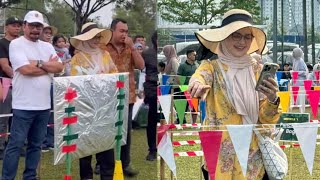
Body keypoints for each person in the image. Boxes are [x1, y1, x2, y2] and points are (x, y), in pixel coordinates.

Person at [188, 9, 281, 180]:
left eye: (247, 37)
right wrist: (197, 85)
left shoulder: (257, 70)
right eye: (236, 35)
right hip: (220, 154)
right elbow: (199, 77)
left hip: (254, 154)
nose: (242, 42)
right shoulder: (212, 67)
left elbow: (266, 119)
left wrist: (272, 99)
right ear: (224, 37)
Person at [1, 10, 63, 180]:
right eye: (32, 26)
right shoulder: (16, 44)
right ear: (25, 26)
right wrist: (47, 67)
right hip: (23, 105)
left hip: (43, 106)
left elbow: (60, 68)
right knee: (15, 145)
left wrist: (38, 62)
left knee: (35, 146)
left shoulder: (47, 46)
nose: (36, 30)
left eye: (39, 26)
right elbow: (25, 70)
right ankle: (7, 178)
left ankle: (30, 177)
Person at [69, 22, 117, 180]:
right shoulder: (77, 58)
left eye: (99, 37)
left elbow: (114, 74)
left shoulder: (105, 55)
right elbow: (75, 82)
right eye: (93, 37)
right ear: (85, 38)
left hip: (104, 107)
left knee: (107, 145)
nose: (97, 40)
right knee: (85, 146)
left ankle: (107, 175)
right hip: (86, 107)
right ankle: (86, 177)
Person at [100, 18, 144, 178]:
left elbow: (141, 65)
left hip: (127, 95)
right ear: (112, 31)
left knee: (125, 133)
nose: (124, 34)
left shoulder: (130, 48)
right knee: (106, 131)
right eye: (121, 31)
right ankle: (103, 163)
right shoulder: (103, 47)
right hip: (107, 96)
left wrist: (132, 47)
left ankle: (125, 164)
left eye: (126, 31)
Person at [0, 17, 23, 160]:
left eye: (19, 25)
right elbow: (5, 65)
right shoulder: (2, 43)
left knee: (17, 116)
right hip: (4, 82)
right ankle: (1, 145)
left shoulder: (21, 44)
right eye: (14, 25)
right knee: (4, 115)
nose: (17, 28)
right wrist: (19, 78)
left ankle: (14, 144)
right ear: (6, 27)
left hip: (20, 83)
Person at [142, 31, 158, 161]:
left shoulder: (168, 52)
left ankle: (165, 148)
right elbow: (141, 71)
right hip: (152, 90)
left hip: (166, 90)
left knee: (166, 121)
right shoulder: (147, 54)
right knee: (152, 121)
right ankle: (152, 149)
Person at [177, 49, 199, 123]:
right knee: (183, 106)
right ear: (189, 56)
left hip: (194, 89)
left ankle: (194, 123)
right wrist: (182, 87)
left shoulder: (197, 65)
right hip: (185, 89)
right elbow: (178, 77)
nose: (195, 56)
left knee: (194, 106)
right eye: (194, 55)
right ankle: (181, 121)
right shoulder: (182, 66)